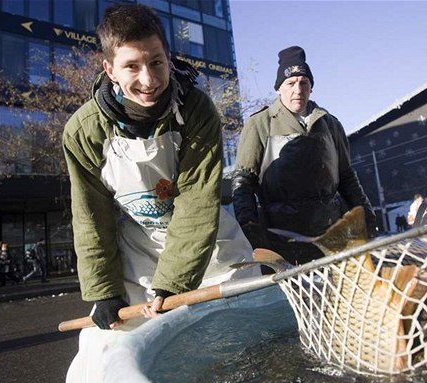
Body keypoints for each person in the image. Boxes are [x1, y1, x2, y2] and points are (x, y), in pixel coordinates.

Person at [62, 4, 229, 330]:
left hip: (208, 240)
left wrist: (173, 285)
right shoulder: (83, 131)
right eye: (131, 67)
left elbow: (197, 202)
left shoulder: (196, 110)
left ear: (168, 57)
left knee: (235, 323)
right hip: (138, 245)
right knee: (122, 341)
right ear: (110, 70)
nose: (149, 80)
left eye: (156, 62)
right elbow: (91, 216)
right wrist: (104, 291)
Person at [231, 46, 376, 265]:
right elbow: (243, 181)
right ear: (279, 89)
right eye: (290, 83)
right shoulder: (259, 124)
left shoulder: (330, 124)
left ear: (311, 88)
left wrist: (366, 214)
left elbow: (347, 177)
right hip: (279, 240)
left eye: (304, 83)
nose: (297, 90)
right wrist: (249, 228)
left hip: (330, 236)